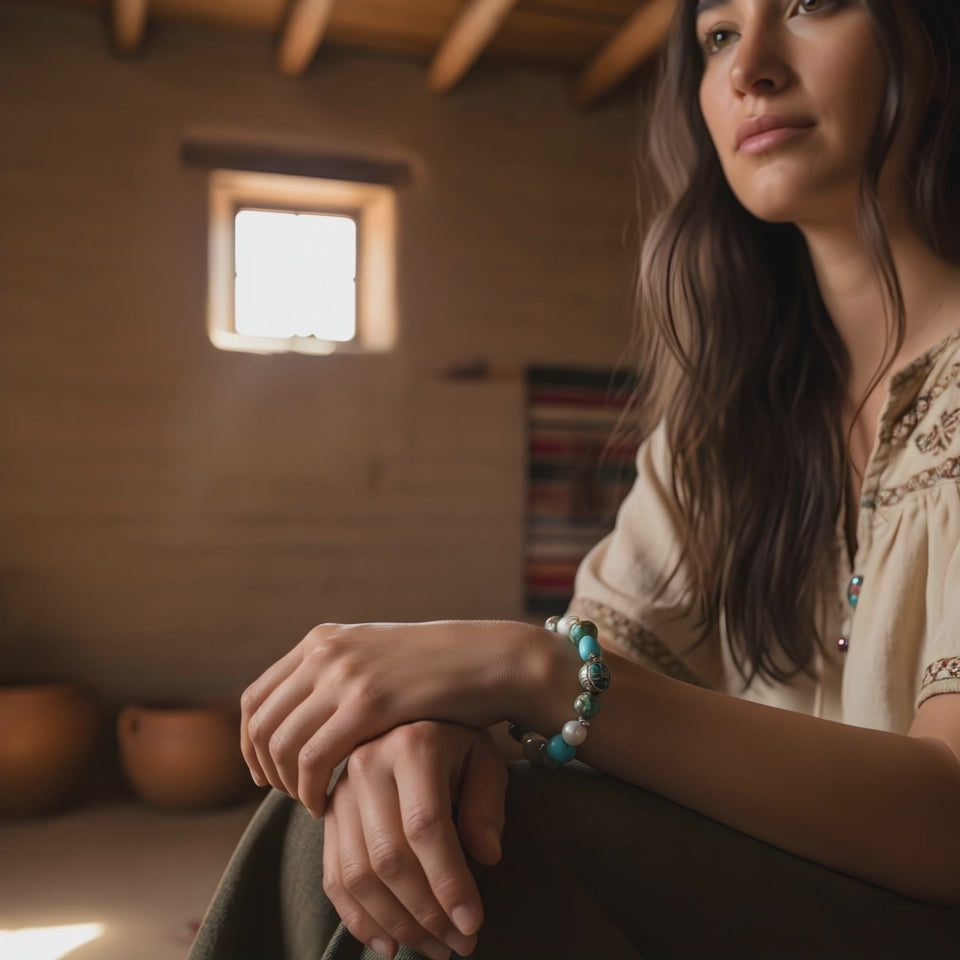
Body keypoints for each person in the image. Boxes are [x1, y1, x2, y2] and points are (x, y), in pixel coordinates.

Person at [189, 1, 960, 957]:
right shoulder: (722, 432)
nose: (749, 67)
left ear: (929, 37)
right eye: (718, 34)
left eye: (809, 4)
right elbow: (611, 664)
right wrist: (442, 732)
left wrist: (525, 669)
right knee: (398, 821)